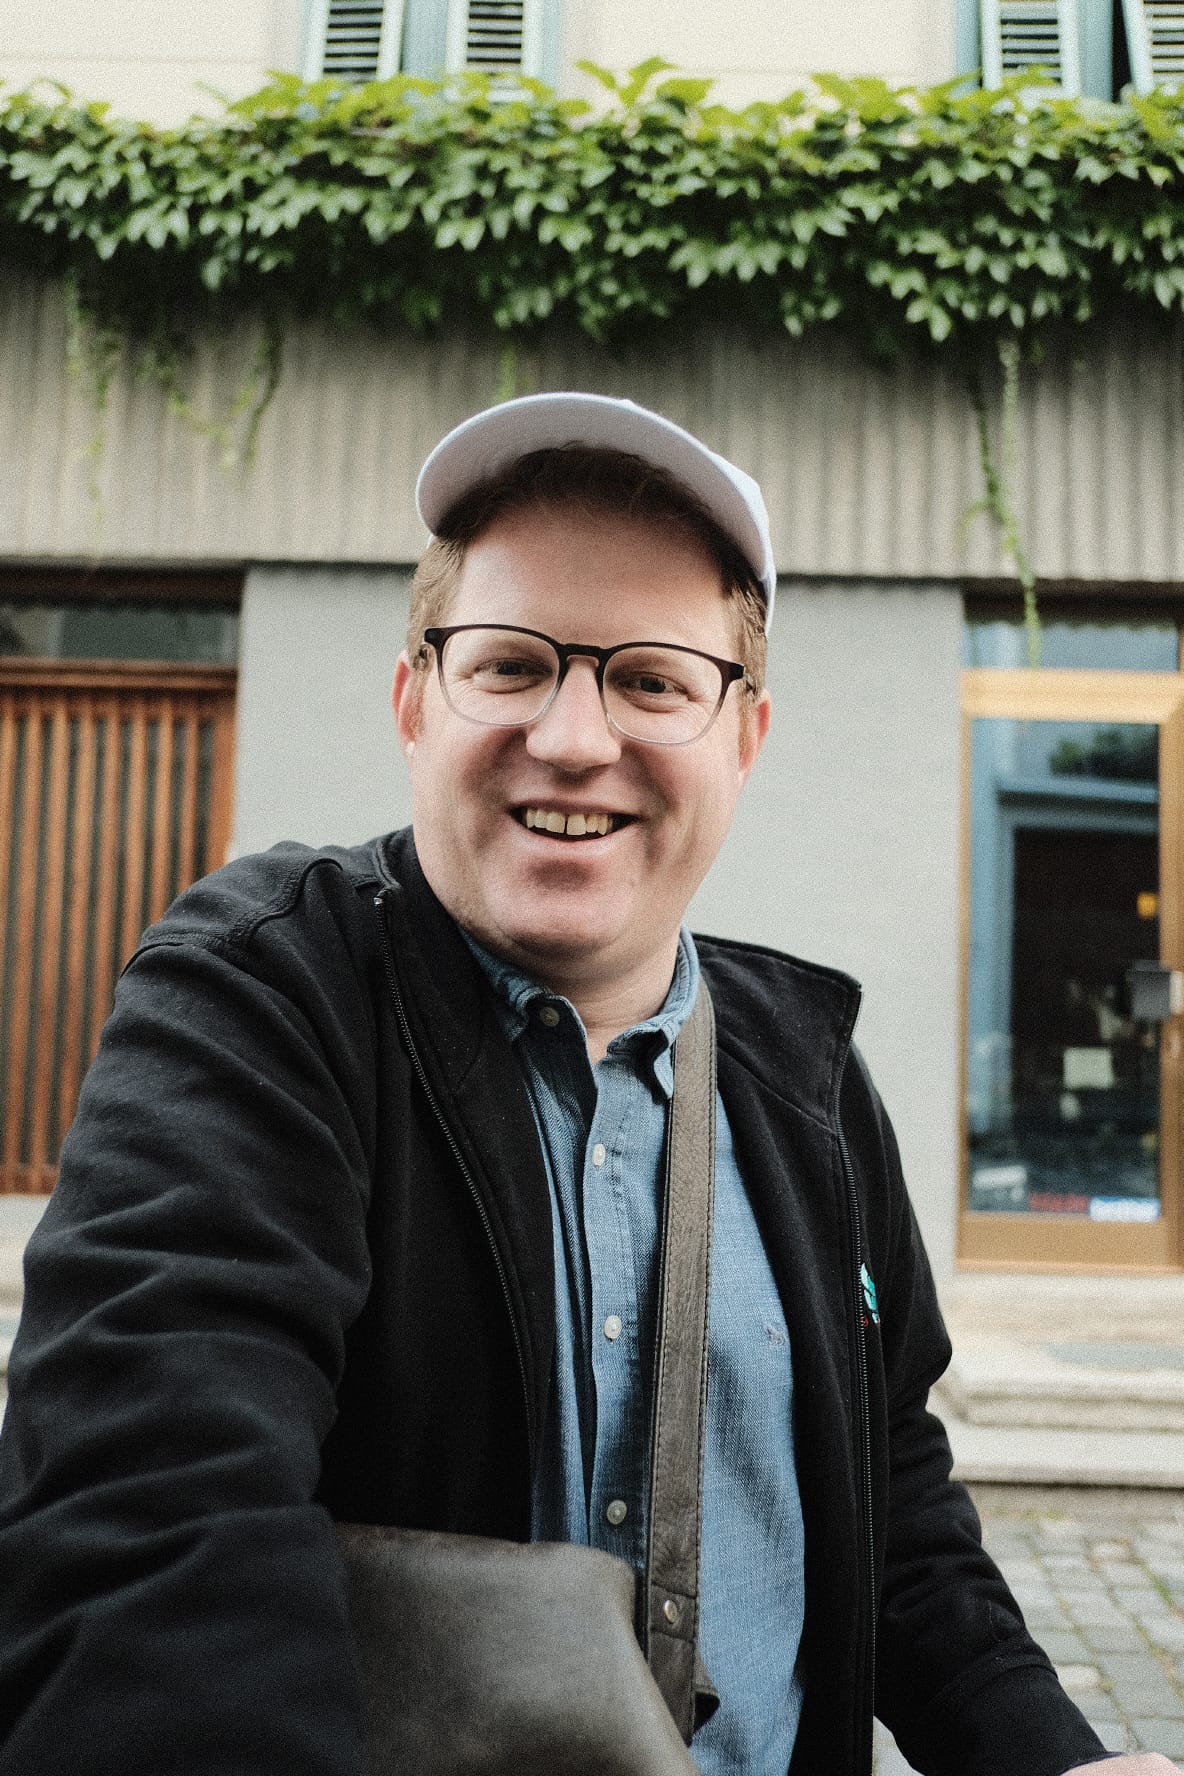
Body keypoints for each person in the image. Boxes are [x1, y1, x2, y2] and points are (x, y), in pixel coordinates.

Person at [0, 392, 1174, 1776]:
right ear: (412, 703)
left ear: (744, 738)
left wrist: (1060, 1756)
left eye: (652, 681)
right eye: (509, 665)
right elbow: (154, 1529)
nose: (572, 738)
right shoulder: (263, 999)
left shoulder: (812, 1081)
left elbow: (895, 1512)